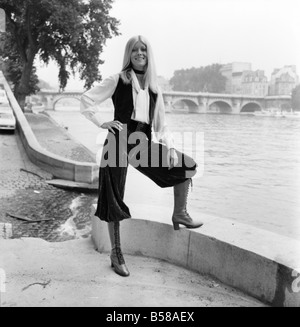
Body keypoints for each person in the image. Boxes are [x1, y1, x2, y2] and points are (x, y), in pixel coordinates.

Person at [80, 35, 203, 277]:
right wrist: (101, 122)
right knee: (113, 197)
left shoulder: (155, 88)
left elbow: (162, 125)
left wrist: (170, 149)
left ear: (149, 54)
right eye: (134, 50)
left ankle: (179, 213)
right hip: (117, 139)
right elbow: (86, 99)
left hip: (141, 142)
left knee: (186, 166)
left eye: (143, 50)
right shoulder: (118, 79)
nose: (139, 53)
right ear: (129, 54)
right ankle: (116, 254)